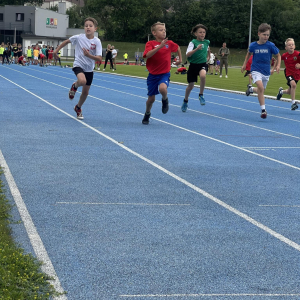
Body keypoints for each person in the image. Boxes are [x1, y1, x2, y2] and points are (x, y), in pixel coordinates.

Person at [53, 17, 102, 120]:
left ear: (95, 29)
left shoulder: (97, 41)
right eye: (86, 26)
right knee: (82, 81)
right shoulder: (79, 37)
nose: (88, 27)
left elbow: (99, 58)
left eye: (90, 26)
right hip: (78, 64)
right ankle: (75, 85)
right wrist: (56, 51)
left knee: (85, 93)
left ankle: (78, 107)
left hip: (89, 68)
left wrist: (89, 56)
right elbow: (66, 41)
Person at [142, 21, 182, 124]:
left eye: (164, 30)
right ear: (154, 33)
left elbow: (178, 47)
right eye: (161, 30)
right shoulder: (150, 43)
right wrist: (160, 46)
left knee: (162, 88)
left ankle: (165, 100)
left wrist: (180, 59)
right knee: (151, 99)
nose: (164, 32)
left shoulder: (169, 43)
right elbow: (147, 55)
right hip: (152, 75)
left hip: (164, 73)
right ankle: (147, 113)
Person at [241, 23, 281, 119]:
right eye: (264, 35)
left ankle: (251, 89)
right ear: (259, 34)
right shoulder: (253, 45)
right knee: (260, 86)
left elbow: (278, 55)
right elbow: (248, 54)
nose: (266, 37)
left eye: (267, 35)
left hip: (266, 71)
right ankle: (263, 110)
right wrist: (244, 65)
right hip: (255, 70)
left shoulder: (270, 45)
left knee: (261, 90)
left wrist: (278, 65)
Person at [181, 24, 210, 113]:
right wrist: (197, 49)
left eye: (204, 32)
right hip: (193, 65)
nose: (202, 34)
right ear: (195, 33)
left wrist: (208, 57)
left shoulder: (207, 42)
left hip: (202, 64)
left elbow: (208, 50)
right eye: (200, 32)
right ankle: (185, 101)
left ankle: (201, 95)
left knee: (203, 75)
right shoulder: (193, 42)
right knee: (190, 86)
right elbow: (188, 54)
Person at [276, 38, 300, 110]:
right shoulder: (284, 55)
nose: (291, 46)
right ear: (286, 47)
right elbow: (278, 59)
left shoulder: (298, 54)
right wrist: (276, 66)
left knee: (290, 91)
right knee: (293, 85)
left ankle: (281, 91)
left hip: (297, 74)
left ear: (295, 46)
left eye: (292, 44)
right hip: (288, 73)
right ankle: (293, 103)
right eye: (289, 45)